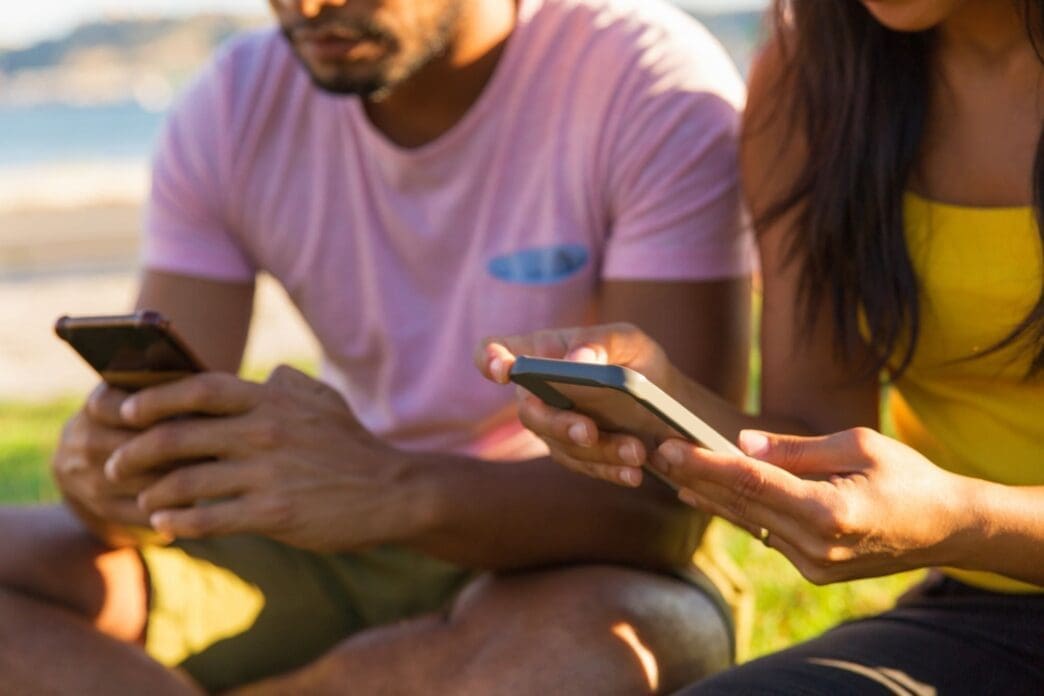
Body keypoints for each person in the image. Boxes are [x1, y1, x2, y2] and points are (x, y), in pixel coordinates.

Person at [0, 0, 756, 693]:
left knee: (606, 649)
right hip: (317, 537)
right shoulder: (234, 103)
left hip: (554, 546)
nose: (309, 7)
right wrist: (103, 478)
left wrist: (392, 487)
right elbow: (162, 462)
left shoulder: (646, 81)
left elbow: (665, 509)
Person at [479, 0, 1044, 692]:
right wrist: (659, 404)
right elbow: (819, 435)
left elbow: (955, 517)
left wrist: (966, 520)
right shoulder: (817, 80)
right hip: (987, 614)